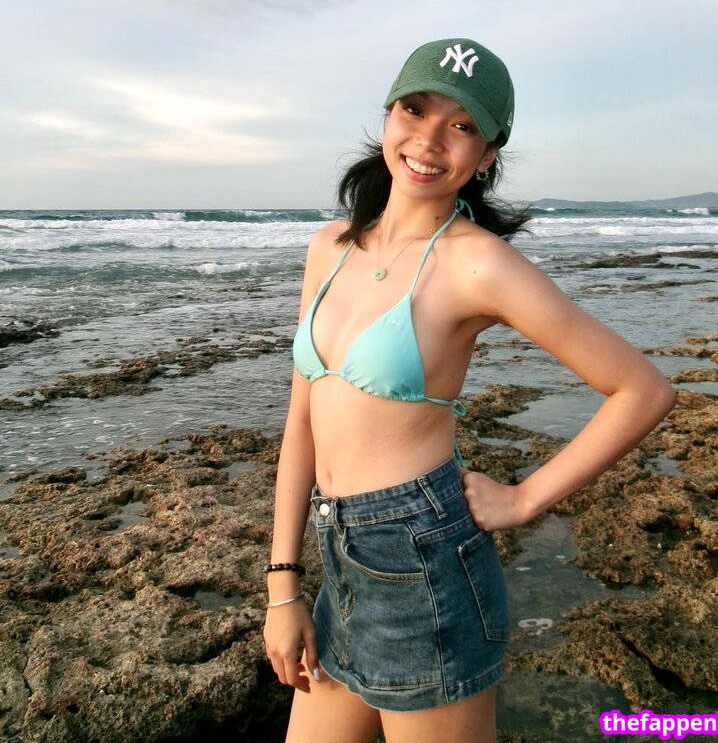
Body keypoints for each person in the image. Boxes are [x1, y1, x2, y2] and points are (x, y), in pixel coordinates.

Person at [264, 38, 676, 743]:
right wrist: (283, 586)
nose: (429, 140)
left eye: (461, 126)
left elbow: (642, 389)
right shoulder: (329, 247)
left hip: (422, 562)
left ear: (486, 155)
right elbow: (301, 417)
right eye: (414, 110)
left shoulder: (478, 264)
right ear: (388, 115)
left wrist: (525, 498)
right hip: (340, 557)